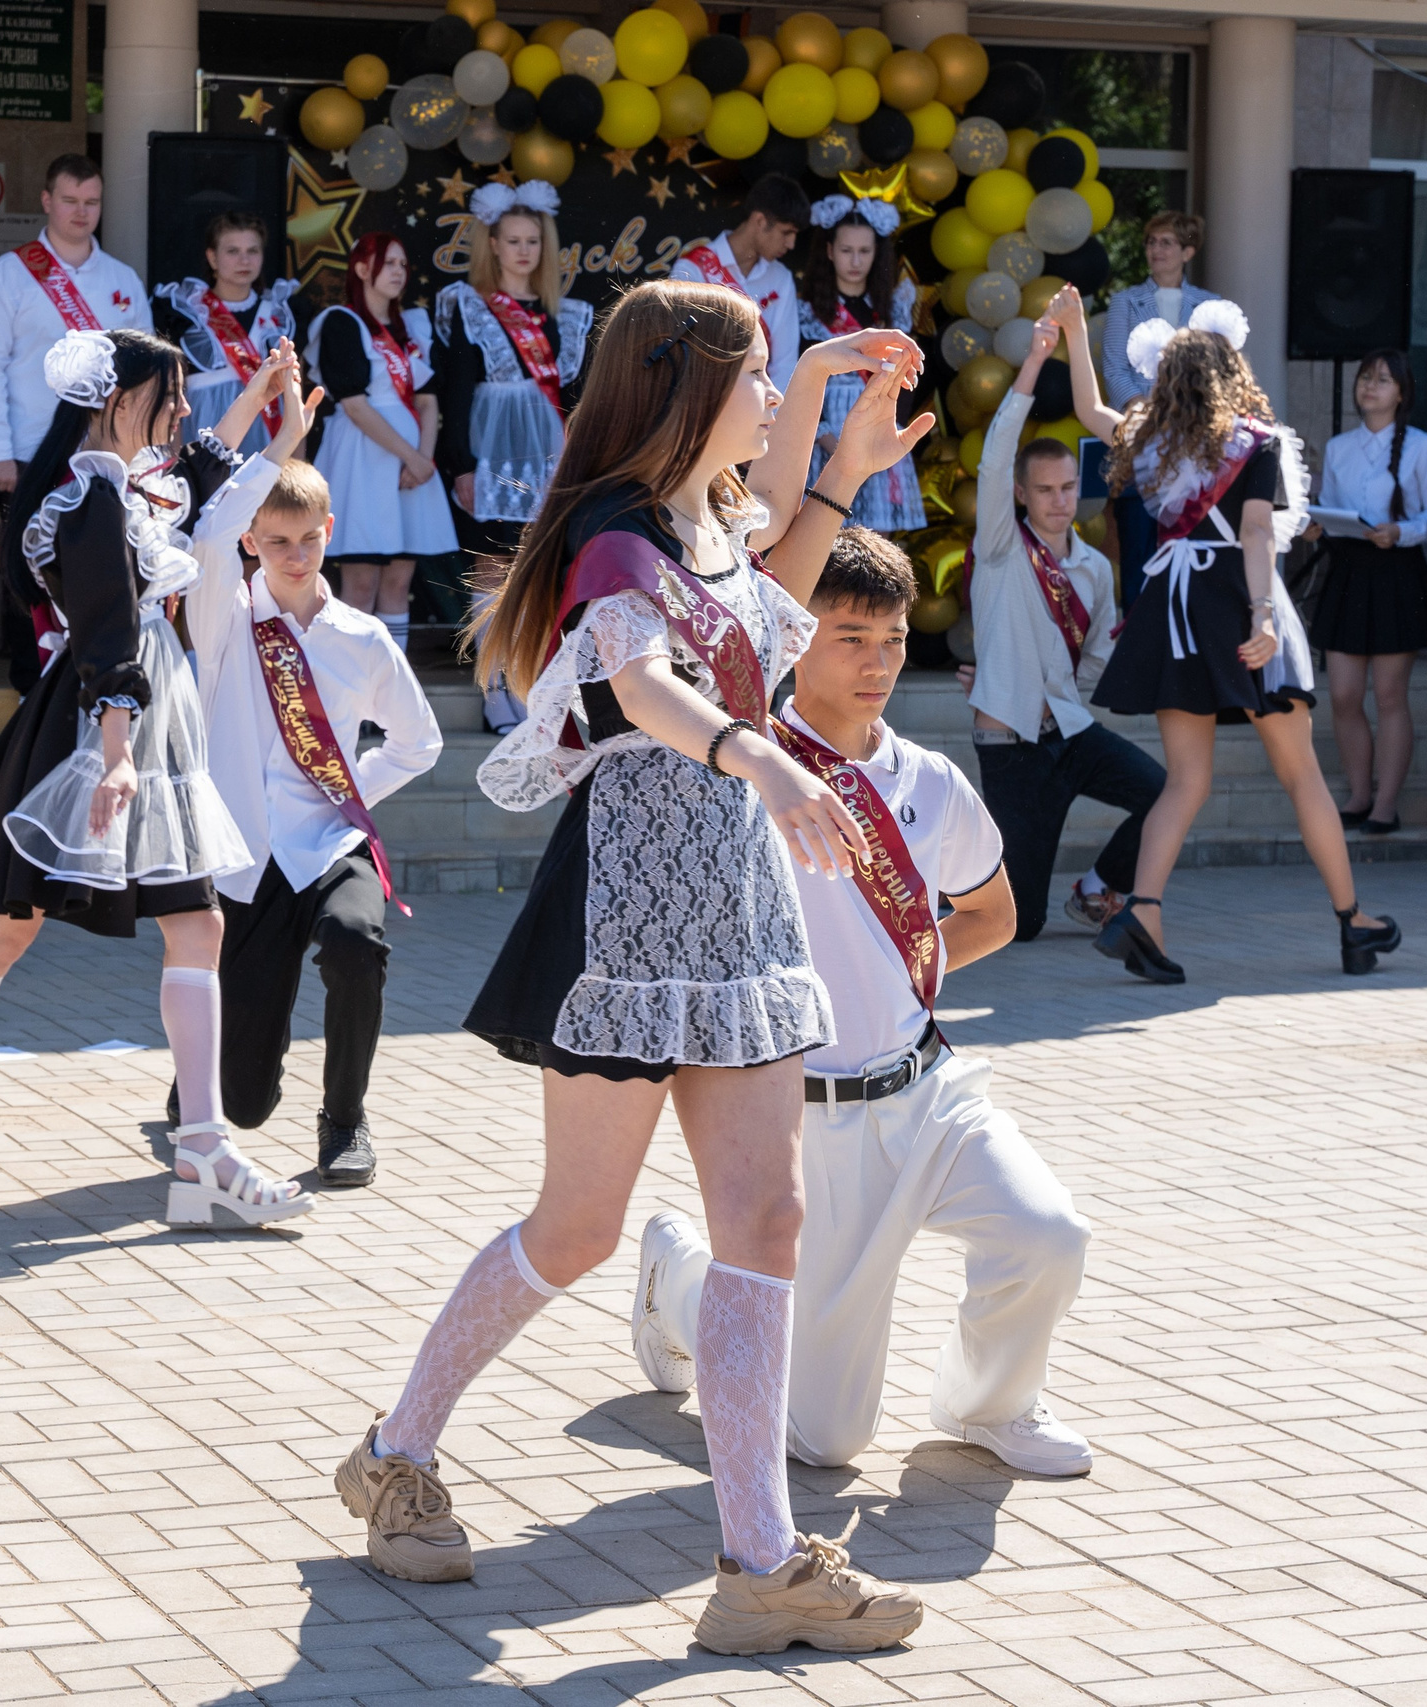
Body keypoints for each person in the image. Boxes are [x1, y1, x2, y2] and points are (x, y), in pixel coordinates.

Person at [333, 281, 936, 1655]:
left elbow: (764, 605)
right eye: (764, 376)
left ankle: (760, 1558)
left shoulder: (709, 522)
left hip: (738, 900)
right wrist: (763, 753)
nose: (777, 398)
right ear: (686, 390)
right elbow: (654, 684)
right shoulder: (613, 540)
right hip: (627, 912)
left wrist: (840, 452)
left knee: (765, 1224)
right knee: (579, 1227)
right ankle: (394, 1450)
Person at [627, 527, 1095, 1479]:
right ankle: (679, 1283)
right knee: (825, 1442)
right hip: (809, 1122)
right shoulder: (745, 775)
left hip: (931, 1093)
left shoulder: (931, 779)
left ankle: (989, 1403)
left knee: (1048, 1233)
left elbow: (996, 913)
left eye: (893, 639)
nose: (878, 662)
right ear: (797, 641)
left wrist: (895, 981)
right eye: (850, 637)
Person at [0, 327, 299, 1226]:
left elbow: (200, 465)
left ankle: (202, 1147)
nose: (188, 408)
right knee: (9, 928)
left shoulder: (132, 481)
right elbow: (109, 628)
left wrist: (271, 402)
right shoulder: (88, 496)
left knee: (197, 922)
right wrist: (116, 755)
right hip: (90, 724)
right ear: (121, 402)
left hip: (149, 717)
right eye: (174, 393)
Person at [1056, 292, 1399, 983]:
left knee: (1186, 779)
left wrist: (1072, 334)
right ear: (1231, 374)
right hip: (1236, 600)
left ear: (1169, 380)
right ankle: (1352, 920)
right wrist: (1264, 617)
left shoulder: (1154, 438)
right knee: (1301, 772)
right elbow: (1253, 535)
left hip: (1175, 606)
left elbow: (1093, 413)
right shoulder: (1256, 442)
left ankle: (1143, 912)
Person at [185, 441, 442, 1188]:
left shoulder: (363, 639)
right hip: (245, 861)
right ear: (249, 541)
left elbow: (417, 742)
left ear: (330, 528)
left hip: (330, 843)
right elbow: (204, 535)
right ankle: (204, 1077)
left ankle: (344, 1118)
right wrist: (280, 437)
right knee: (244, 1102)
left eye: (308, 539)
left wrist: (348, 792)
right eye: (275, 541)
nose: (295, 556)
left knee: (356, 942)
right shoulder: (223, 620)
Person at [965, 306, 1160, 939]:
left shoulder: (1095, 570)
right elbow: (995, 460)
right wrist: (1034, 363)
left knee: (1162, 792)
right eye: (1045, 490)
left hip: (1071, 734)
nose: (1060, 501)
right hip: (1011, 747)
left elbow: (1100, 657)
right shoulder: (1000, 546)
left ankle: (1099, 887)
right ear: (1023, 494)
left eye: (1069, 488)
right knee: (1022, 927)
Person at [0, 155, 151, 694]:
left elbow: (145, 372)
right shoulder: (9, 274)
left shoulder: (121, 279)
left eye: (91, 202)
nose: (81, 212)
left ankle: (94, 682)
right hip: (28, 450)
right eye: (69, 201)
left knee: (103, 568)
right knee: (32, 570)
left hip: (105, 453)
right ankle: (33, 685)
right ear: (47, 201)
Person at [434, 180, 589, 733]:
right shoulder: (468, 307)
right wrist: (461, 467)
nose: (524, 250)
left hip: (548, 462)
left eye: (533, 240)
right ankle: (494, 688)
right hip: (490, 456)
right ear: (493, 245)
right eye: (513, 240)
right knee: (492, 565)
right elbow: (454, 393)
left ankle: (531, 684)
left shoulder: (567, 317)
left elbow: (576, 401)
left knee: (540, 570)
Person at [1308, 349, 1427, 834]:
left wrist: (1401, 531)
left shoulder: (1423, 446)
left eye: (1383, 380)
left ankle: (1386, 802)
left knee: (1390, 694)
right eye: (1366, 377)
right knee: (1344, 695)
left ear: (1402, 393)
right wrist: (1314, 526)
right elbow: (1328, 508)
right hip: (1349, 569)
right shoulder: (1339, 446)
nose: (1370, 387)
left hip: (1397, 572)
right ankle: (1359, 793)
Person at [311, 233, 455, 657]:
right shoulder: (342, 322)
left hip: (412, 468)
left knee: (398, 581)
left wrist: (423, 461)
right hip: (363, 461)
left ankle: (392, 690)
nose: (398, 272)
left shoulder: (410, 329)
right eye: (388, 263)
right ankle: (352, 689)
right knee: (360, 581)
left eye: (402, 265)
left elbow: (428, 399)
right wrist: (412, 457)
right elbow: (354, 405)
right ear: (361, 269)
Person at [1099, 211, 1222, 577]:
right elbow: (1114, 369)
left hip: (1193, 445)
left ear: (1188, 252)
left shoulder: (1208, 304)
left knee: (1191, 555)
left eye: (1166, 242)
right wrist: (1147, 415)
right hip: (1141, 442)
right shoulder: (1126, 301)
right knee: (1139, 554)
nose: (1156, 249)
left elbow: (1215, 375)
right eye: (1151, 242)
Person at [796, 192, 921, 532]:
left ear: (877, 253)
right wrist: (826, 438)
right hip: (825, 438)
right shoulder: (806, 313)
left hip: (880, 425)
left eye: (864, 251)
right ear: (829, 251)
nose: (855, 261)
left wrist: (888, 432)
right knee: (824, 533)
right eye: (846, 250)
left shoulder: (892, 309)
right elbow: (799, 376)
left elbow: (909, 378)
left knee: (875, 545)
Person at [156, 211, 296, 460]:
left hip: (266, 433)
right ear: (212, 257)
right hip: (201, 427)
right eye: (232, 251)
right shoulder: (184, 313)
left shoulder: (279, 313)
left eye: (252, 251)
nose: (244, 260)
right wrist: (173, 462)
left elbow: (294, 393)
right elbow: (168, 390)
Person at [671, 172, 809, 390]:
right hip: (701, 397)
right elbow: (680, 350)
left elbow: (785, 363)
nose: (792, 244)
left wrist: (773, 417)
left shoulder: (781, 278)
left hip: (761, 404)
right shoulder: (691, 269)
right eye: (786, 232)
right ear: (760, 221)